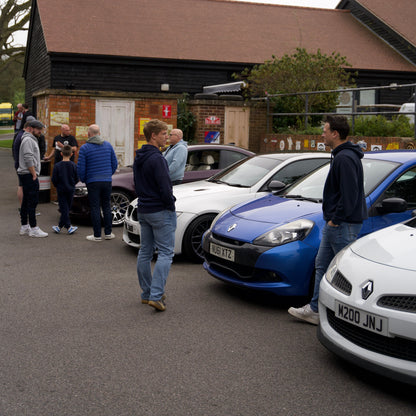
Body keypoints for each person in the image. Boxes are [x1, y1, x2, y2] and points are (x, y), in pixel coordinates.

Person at [288, 115, 367, 325]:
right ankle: (314, 310)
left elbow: (349, 195)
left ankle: (348, 319)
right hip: (338, 223)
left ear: (335, 133)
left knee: (345, 272)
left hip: (342, 224)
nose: (321, 134)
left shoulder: (345, 158)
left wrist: (335, 220)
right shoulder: (342, 156)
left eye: (325, 131)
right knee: (322, 265)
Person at [133, 119, 176, 311]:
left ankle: (147, 293)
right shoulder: (158, 159)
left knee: (145, 252)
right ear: (154, 135)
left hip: (143, 209)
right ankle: (156, 296)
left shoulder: (139, 157)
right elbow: (165, 188)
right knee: (166, 253)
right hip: (160, 210)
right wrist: (170, 205)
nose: (167, 136)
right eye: (164, 133)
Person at [77, 124, 118, 241]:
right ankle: (109, 233)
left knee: (95, 207)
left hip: (92, 182)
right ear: (99, 133)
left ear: (89, 134)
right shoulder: (108, 145)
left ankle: (97, 235)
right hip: (106, 181)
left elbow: (81, 168)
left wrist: (84, 179)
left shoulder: (85, 148)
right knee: (106, 206)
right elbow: (115, 164)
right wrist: (108, 175)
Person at [17, 119, 48, 237]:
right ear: (30, 128)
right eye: (38, 129)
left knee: (26, 201)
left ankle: (25, 226)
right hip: (29, 175)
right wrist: (34, 173)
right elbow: (28, 157)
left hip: (26, 174)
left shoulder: (28, 139)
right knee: (32, 201)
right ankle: (34, 228)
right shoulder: (28, 140)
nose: (40, 131)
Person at [51, 144, 78, 234]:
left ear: (61, 154)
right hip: (71, 189)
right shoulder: (74, 165)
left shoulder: (57, 166)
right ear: (71, 154)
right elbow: (77, 178)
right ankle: (67, 226)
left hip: (61, 189)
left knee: (64, 208)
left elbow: (54, 179)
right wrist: (73, 184)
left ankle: (60, 226)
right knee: (66, 208)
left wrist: (57, 185)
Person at [12, 116, 37, 207]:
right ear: (29, 127)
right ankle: (24, 208)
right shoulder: (24, 137)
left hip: (19, 164)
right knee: (23, 187)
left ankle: (23, 208)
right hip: (22, 166)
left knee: (21, 185)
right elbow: (27, 156)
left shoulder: (19, 135)